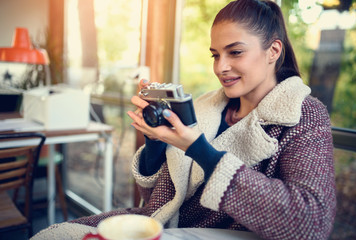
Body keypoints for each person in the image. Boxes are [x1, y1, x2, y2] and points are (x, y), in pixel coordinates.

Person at [32, 0, 336, 239]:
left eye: (235, 52)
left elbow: (311, 223)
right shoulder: (205, 109)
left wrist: (199, 150)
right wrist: (155, 142)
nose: (221, 67)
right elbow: (158, 203)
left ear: (273, 51)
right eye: (215, 55)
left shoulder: (303, 115)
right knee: (53, 235)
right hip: (165, 226)